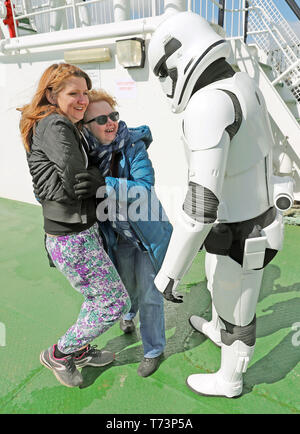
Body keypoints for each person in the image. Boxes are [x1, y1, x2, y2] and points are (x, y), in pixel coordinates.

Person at [148, 12, 293, 397]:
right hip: (245, 221)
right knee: (217, 284)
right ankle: (217, 327)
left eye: (164, 71)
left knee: (237, 315)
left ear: (177, 59)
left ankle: (230, 380)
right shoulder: (242, 81)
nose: (166, 83)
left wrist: (170, 274)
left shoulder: (207, 106)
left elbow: (199, 208)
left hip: (245, 232)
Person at [19, 63, 131, 388]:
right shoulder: (55, 124)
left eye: (85, 92)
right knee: (112, 302)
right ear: (52, 94)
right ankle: (59, 352)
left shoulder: (64, 123)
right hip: (72, 238)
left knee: (97, 296)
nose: (82, 100)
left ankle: (79, 350)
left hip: (77, 231)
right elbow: (75, 183)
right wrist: (102, 186)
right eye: (74, 93)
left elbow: (78, 180)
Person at [75, 88, 172, 377]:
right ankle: (129, 315)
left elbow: (144, 188)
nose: (111, 122)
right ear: (86, 128)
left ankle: (153, 350)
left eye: (113, 115)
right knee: (128, 288)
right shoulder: (85, 157)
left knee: (151, 294)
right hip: (118, 238)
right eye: (101, 118)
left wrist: (103, 184)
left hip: (147, 236)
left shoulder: (133, 146)